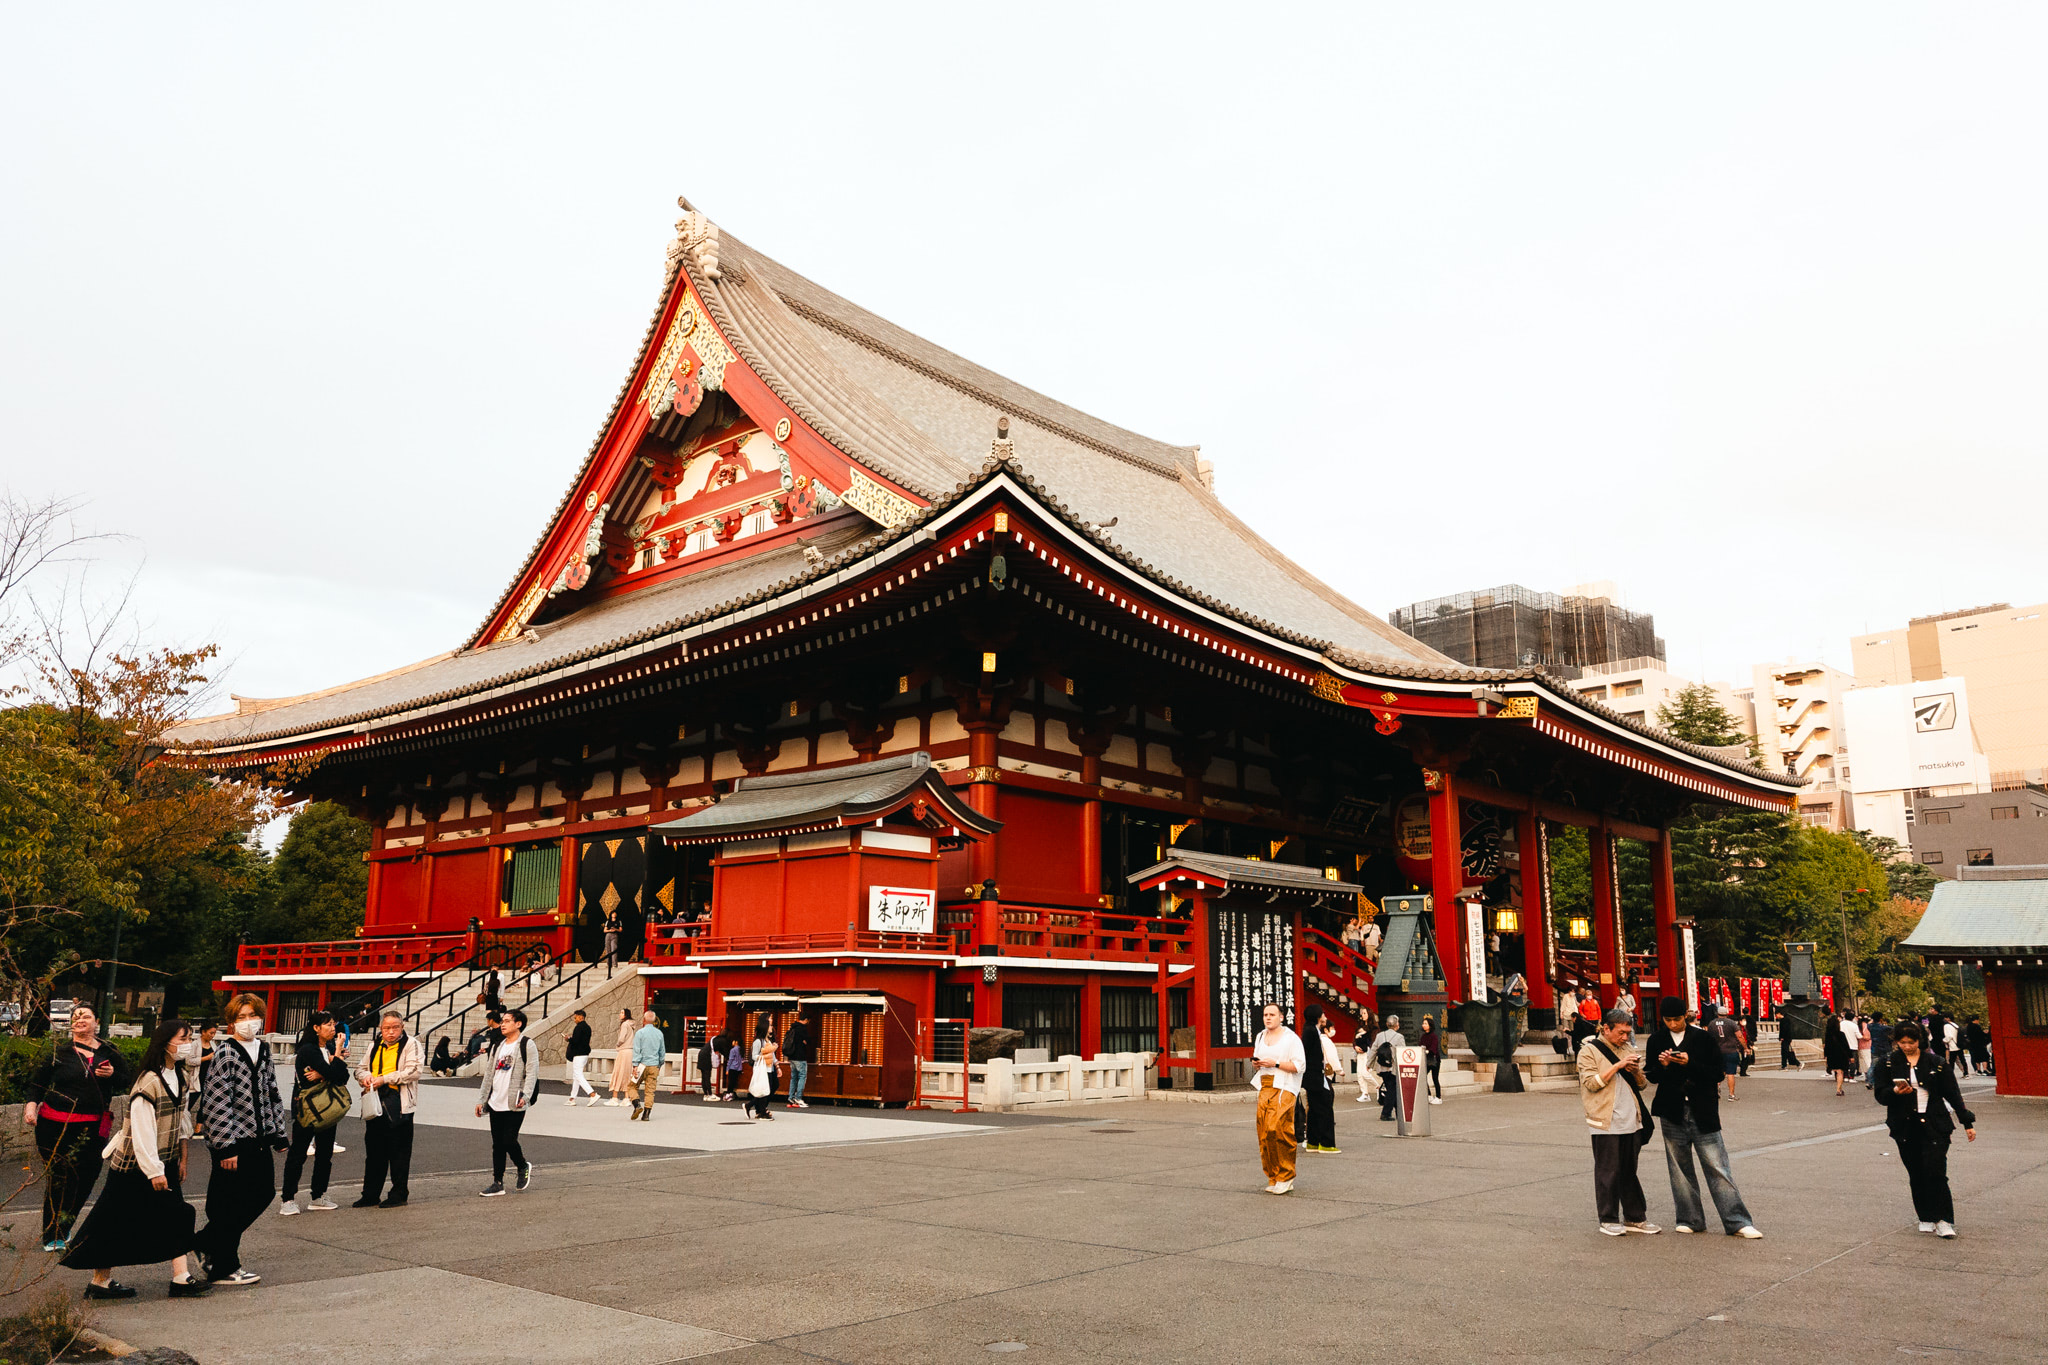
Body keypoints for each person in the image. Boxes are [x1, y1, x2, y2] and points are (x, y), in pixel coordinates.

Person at [60, 1018, 211, 1300]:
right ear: (164, 1043)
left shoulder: (179, 1076)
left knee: (176, 1214)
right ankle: (100, 1280)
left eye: (190, 1038)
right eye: (182, 1039)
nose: (187, 1045)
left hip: (163, 1159)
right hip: (134, 1164)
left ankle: (181, 1277)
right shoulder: (148, 1081)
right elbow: (141, 1129)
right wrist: (154, 1171)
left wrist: (182, 1159)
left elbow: (181, 1121)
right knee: (112, 1220)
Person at [1643, 996, 1762, 1239]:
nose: (1673, 1024)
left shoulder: (1702, 1037)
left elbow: (1717, 1073)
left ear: (1685, 1017)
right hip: (1671, 1109)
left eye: (1677, 1019)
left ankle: (1737, 1221)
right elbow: (1652, 1076)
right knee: (1679, 1167)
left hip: (1702, 1108)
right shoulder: (1656, 1040)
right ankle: (1690, 1218)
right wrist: (1664, 1065)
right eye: (1668, 1020)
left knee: (1717, 1166)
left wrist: (1689, 1062)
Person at [193, 993, 287, 1286]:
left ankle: (206, 1242)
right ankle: (224, 1265)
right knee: (228, 1203)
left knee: (263, 1193)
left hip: (259, 1137)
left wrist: (279, 1132)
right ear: (231, 1023)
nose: (248, 1022)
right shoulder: (226, 1052)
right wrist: (226, 1147)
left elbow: (271, 1091)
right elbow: (216, 1101)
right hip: (234, 1140)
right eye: (241, 1017)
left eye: (252, 1016)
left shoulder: (265, 1049)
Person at [21, 1002, 130, 1252]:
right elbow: (37, 1084)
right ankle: (53, 1234)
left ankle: (66, 1223)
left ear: (96, 1022)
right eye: (76, 1017)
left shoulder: (110, 1052)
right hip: (53, 1125)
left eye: (86, 1016)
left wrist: (112, 1074)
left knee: (87, 1176)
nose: (80, 1020)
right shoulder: (60, 1052)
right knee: (60, 1177)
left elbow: (127, 1080)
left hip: (93, 1127)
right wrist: (30, 1107)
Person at [1873, 1020, 1977, 1238]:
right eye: (1902, 1042)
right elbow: (1880, 1095)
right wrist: (1894, 1092)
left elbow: (1953, 1094)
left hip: (1935, 1124)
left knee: (1936, 1172)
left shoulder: (1936, 1062)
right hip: (1905, 1126)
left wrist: (1966, 1123)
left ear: (1920, 1040)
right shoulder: (1888, 1063)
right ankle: (1926, 1215)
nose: (1906, 1046)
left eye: (1911, 1042)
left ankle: (1944, 1219)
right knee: (1917, 1173)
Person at [1577, 1007, 1659, 1236]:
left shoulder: (1628, 1048)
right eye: (1621, 1032)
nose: (1625, 1037)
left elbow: (1642, 1085)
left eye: (1627, 1032)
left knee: (1629, 1171)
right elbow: (1591, 1084)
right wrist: (1617, 1066)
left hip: (1632, 1118)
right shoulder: (1588, 1051)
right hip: (1605, 1119)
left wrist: (1634, 1072)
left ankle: (1635, 1217)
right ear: (1606, 1028)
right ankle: (1608, 1218)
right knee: (1608, 1171)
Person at [279, 1011, 349, 1217]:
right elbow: (335, 1073)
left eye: (333, 1024)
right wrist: (332, 1062)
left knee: (324, 1153)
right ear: (316, 1028)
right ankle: (288, 1199)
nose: (332, 1028)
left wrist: (326, 1068)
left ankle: (318, 1196)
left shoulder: (326, 1048)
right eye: (328, 1025)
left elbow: (342, 1077)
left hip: (326, 1106)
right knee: (298, 1154)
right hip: (307, 1108)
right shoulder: (308, 1050)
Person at [354, 1010, 420, 1209]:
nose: (390, 1032)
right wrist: (365, 1077)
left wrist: (385, 1078)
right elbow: (360, 1068)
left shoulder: (411, 1044)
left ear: (402, 1027)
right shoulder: (374, 1045)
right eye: (386, 1028)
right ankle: (370, 1194)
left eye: (395, 1027)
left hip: (399, 1103)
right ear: (381, 1028)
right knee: (374, 1152)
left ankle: (399, 1193)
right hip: (375, 1100)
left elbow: (413, 1071)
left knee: (399, 1152)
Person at [476, 1007, 540, 1196]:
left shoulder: (527, 1044)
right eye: (502, 1021)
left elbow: (532, 1073)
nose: (502, 1024)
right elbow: (489, 1074)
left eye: (507, 1021)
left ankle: (522, 1165)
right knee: (497, 1143)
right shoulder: (497, 1046)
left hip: (514, 1102)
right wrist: (482, 1099)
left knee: (508, 1140)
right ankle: (497, 1182)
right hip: (496, 1100)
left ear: (518, 1024)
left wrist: (526, 1096)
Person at [1249, 1002, 1305, 1194]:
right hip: (1265, 1085)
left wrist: (1277, 1063)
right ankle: (1272, 1175)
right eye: (1265, 1014)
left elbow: (1299, 1066)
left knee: (1278, 1128)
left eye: (1272, 1014)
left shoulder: (1291, 1038)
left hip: (1284, 1086)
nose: (1268, 1018)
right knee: (1264, 1131)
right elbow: (1258, 1058)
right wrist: (1258, 1064)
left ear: (1282, 1017)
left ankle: (1286, 1175)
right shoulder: (1261, 1036)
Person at [1299, 1005, 1339, 1154]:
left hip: (1314, 1076)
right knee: (1325, 1109)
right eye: (1323, 1014)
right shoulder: (1310, 1031)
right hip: (1314, 1075)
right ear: (1317, 1016)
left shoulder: (1312, 1030)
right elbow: (1307, 1055)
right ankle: (1326, 1143)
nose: (1325, 1017)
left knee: (1315, 1109)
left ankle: (1313, 1142)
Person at [1365, 1014, 1405, 1121]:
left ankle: (1400, 1112)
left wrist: (1369, 1064)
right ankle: (1386, 1113)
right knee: (1392, 1090)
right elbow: (1402, 1053)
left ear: (1387, 1024)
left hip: (1382, 1067)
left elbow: (1373, 1050)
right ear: (1397, 1025)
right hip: (1393, 1067)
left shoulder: (1380, 1035)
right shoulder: (1400, 1037)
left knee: (1392, 1088)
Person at [1702, 1002, 1744, 1102]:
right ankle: (1731, 1095)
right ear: (1726, 1013)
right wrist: (1745, 1047)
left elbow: (1709, 1038)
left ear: (1717, 1013)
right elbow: (1739, 1036)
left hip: (1717, 1051)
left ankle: (1716, 1090)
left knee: (1719, 1071)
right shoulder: (1731, 1023)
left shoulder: (1712, 1023)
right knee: (1730, 1073)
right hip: (1731, 1050)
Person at [629, 1010, 666, 1121]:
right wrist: (660, 1064)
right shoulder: (659, 1033)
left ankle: (637, 1105)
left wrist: (635, 1065)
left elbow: (637, 1050)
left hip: (641, 1065)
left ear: (644, 1020)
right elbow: (662, 1051)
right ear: (654, 1020)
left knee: (631, 1086)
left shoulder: (640, 1033)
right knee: (650, 1091)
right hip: (654, 1065)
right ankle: (646, 1114)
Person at [744, 1027, 782, 1121]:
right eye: (769, 1026)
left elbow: (773, 1056)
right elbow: (754, 1056)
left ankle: (752, 1106)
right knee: (765, 1090)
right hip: (763, 1069)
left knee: (772, 1087)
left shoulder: (768, 1040)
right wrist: (764, 1056)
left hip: (770, 1068)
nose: (771, 1028)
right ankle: (761, 1111)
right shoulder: (758, 1041)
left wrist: (777, 1067)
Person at [564, 1009, 596, 1106]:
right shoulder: (588, 1027)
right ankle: (572, 1098)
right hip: (584, 1054)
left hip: (578, 1054)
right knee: (576, 1076)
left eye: (576, 1017)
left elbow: (576, 1041)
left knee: (578, 1075)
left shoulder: (579, 1027)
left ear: (581, 1017)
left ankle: (592, 1094)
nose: (575, 1019)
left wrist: (569, 1038)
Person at [784, 1016, 813, 1110]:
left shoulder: (792, 1027)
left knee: (794, 1077)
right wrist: (805, 1041)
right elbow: (808, 1040)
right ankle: (798, 1098)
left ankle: (790, 1098)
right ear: (806, 1020)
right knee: (802, 1076)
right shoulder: (802, 1029)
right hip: (800, 1057)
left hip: (791, 1056)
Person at [1822, 1008, 1854, 1096]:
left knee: (1837, 1071)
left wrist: (1826, 1055)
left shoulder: (1828, 1035)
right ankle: (1839, 1089)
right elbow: (1846, 1046)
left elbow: (1827, 1046)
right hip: (1841, 1054)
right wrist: (1850, 1056)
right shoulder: (1841, 1034)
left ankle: (1839, 1088)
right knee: (1840, 1072)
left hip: (1832, 1055)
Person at [607, 1008, 634, 1106]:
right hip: (630, 1051)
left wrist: (618, 1044)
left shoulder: (624, 1025)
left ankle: (615, 1098)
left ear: (626, 1015)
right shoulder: (631, 1025)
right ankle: (626, 1098)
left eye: (622, 1012)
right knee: (627, 1074)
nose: (620, 1014)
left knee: (618, 1073)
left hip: (623, 1051)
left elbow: (621, 1038)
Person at [1418, 1014, 1444, 1105]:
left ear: (1430, 1025)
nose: (1423, 1025)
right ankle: (1429, 1095)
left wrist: (1426, 1051)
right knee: (1422, 1077)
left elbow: (1433, 1049)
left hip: (1434, 1060)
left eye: (1425, 1023)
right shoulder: (1423, 1036)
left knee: (1435, 1078)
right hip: (1426, 1060)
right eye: (1423, 1023)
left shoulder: (1434, 1036)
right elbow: (1420, 1046)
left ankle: (1438, 1097)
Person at [1866, 1013, 1892, 1089]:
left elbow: (1868, 1023)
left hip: (1874, 1048)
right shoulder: (1884, 1028)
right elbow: (1892, 1029)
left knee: (1873, 1065)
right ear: (1880, 1019)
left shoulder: (1870, 1027)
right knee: (1887, 1064)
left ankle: (1869, 1081)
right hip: (1884, 1048)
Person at [702, 1030, 725, 1100]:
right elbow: (722, 1050)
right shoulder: (720, 1041)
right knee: (707, 1076)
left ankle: (706, 1094)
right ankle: (710, 1094)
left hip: (701, 1055)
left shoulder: (713, 1039)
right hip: (707, 1057)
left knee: (704, 1077)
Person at [1856, 1013, 1873, 1079]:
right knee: (1867, 1061)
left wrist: (1859, 1037)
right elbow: (1868, 1037)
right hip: (1867, 1046)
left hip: (1861, 1046)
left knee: (1864, 1062)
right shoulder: (1866, 1026)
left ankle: (1868, 1076)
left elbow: (1866, 1037)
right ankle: (1869, 1077)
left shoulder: (1859, 1026)